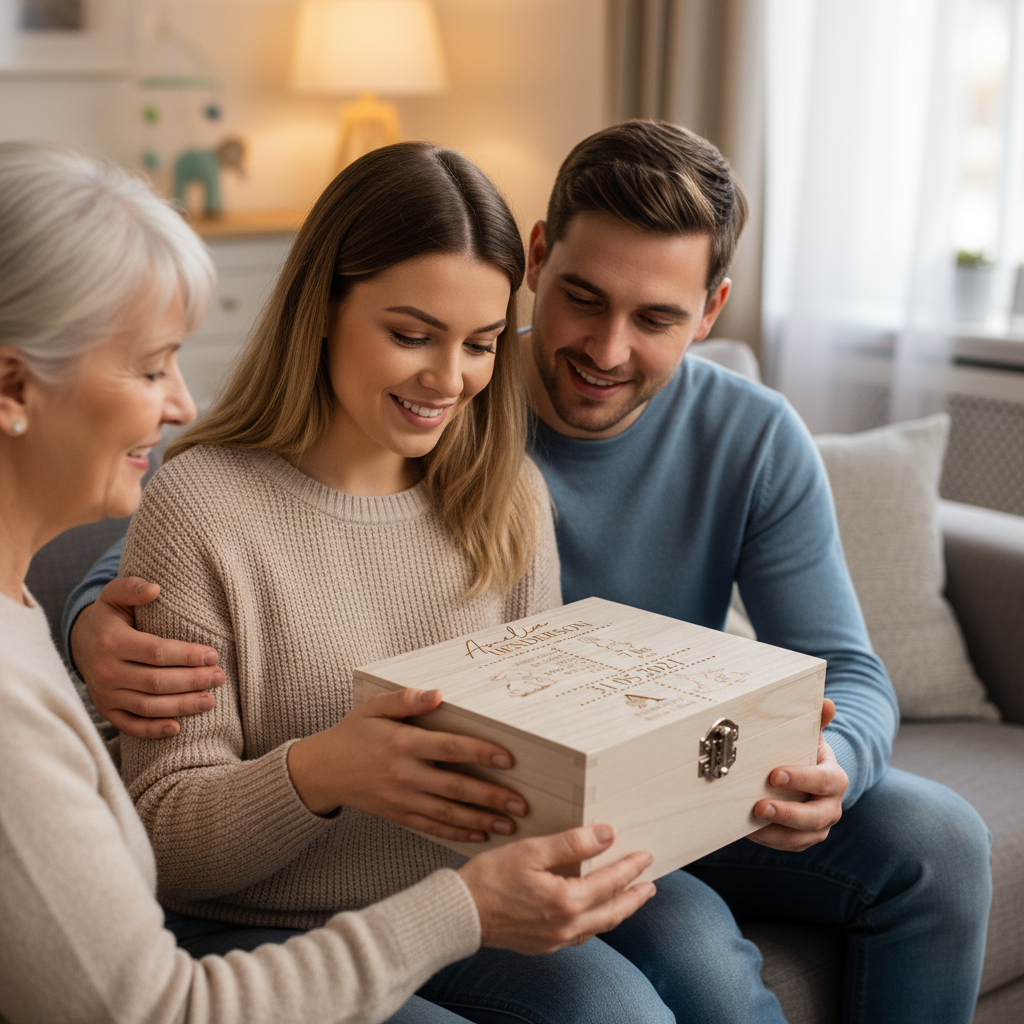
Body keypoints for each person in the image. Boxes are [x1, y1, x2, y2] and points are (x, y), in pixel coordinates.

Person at [67, 122, 994, 1024]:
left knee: (849, 880)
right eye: (584, 299)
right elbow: (170, 550)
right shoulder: (396, 444)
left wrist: (827, 764)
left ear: (709, 314)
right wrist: (84, 625)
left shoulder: (527, 477)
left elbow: (845, 672)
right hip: (373, 881)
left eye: (658, 317)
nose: (606, 350)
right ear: (540, 262)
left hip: (575, 824)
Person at [0, 140, 657, 1024]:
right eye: (410, 334)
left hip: (460, 906)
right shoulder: (200, 506)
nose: (448, 376)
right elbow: (163, 848)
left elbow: (537, 765)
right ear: (323, 307)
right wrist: (324, 772)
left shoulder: (509, 499)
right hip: (252, 932)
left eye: (482, 344)